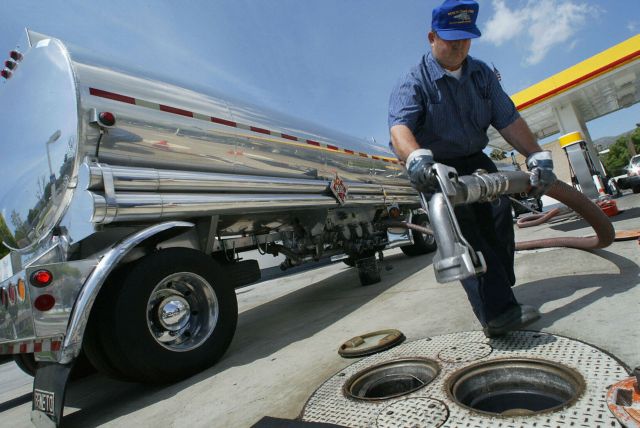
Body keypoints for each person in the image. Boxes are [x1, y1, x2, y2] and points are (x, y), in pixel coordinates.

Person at [388, 0, 556, 337]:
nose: (459, 46)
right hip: (436, 169)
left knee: (499, 226)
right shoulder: (414, 80)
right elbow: (398, 129)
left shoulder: (480, 74)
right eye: (451, 39)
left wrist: (536, 156)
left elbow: (508, 119)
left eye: (465, 38)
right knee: (468, 237)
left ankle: (499, 289)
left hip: (477, 162)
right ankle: (497, 315)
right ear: (432, 37)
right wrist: (417, 158)